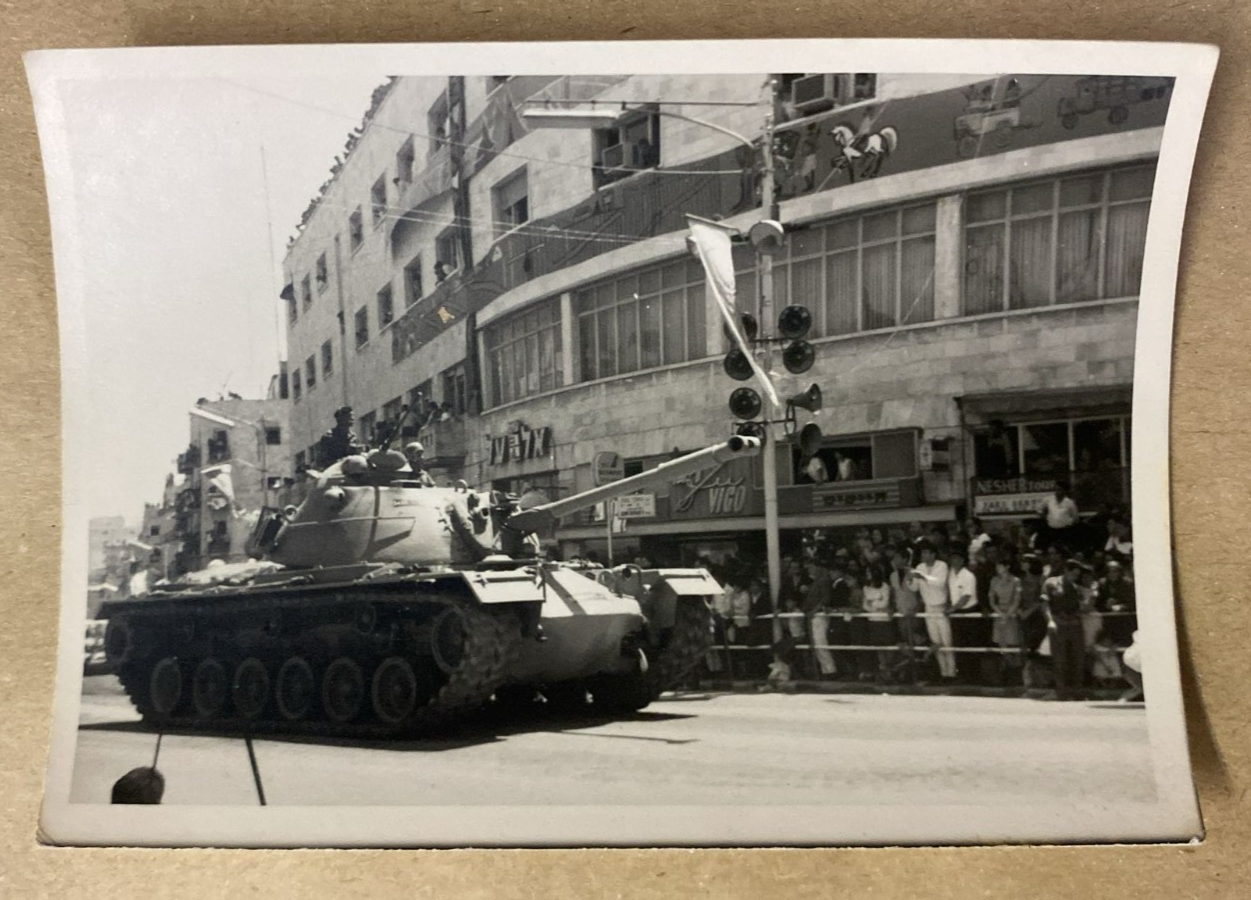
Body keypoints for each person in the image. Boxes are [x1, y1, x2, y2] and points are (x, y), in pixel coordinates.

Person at [1042, 559, 1091, 700]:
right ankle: (1060, 692)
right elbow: (1045, 605)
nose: (1075, 577)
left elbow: (1085, 608)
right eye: (1073, 574)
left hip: (1075, 624)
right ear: (1066, 571)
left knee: (1078, 659)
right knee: (1059, 660)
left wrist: (1092, 595)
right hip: (1058, 624)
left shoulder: (1078, 587)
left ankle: (1078, 692)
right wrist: (1050, 621)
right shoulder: (1051, 583)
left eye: (1077, 575)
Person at [909, 542, 955, 680]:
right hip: (928, 608)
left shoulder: (942, 565)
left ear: (933, 554)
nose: (924, 555)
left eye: (927, 553)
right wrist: (910, 578)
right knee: (935, 642)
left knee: (947, 642)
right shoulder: (919, 567)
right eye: (922, 553)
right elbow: (914, 588)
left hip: (941, 608)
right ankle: (943, 673)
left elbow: (940, 582)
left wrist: (923, 577)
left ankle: (951, 673)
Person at [946, 547, 979, 682]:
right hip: (956, 613)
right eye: (952, 558)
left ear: (962, 560)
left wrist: (951, 609)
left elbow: (966, 596)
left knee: (970, 645)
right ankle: (962, 675)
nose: (954, 561)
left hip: (969, 612)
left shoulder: (968, 575)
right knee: (958, 644)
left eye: (957, 558)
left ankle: (973, 676)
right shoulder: (951, 573)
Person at [989, 558, 1023, 676]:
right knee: (1002, 644)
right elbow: (991, 599)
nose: (997, 568)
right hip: (999, 613)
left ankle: (1018, 671)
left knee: (1014, 642)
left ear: (1007, 566)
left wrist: (1008, 614)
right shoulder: (994, 580)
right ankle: (1008, 670)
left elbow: (1017, 599)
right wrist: (999, 613)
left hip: (1012, 614)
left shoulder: (1015, 581)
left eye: (1000, 566)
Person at [862, 564, 894, 682]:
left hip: (884, 620)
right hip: (873, 620)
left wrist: (873, 603)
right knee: (879, 648)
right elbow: (865, 605)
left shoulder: (885, 586)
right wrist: (876, 603)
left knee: (888, 647)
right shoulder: (866, 588)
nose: (867, 575)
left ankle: (889, 671)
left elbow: (885, 603)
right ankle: (883, 670)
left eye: (869, 572)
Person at [1039, 481, 1080, 550]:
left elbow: (1076, 518)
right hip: (1051, 530)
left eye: (1060, 489)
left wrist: (1069, 524)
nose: (1057, 492)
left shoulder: (1070, 503)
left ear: (1065, 491)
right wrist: (1043, 516)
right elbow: (1039, 509)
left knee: (1065, 548)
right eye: (1056, 489)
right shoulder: (1048, 500)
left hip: (1065, 531)